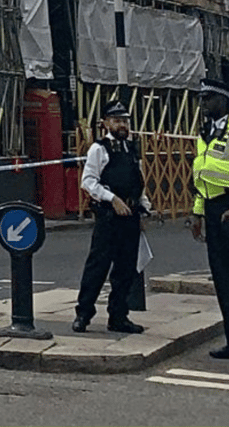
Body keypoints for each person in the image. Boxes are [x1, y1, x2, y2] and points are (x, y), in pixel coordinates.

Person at [72, 100, 151, 334]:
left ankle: (118, 316)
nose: (122, 124)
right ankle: (83, 314)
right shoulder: (99, 149)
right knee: (97, 267)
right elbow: (88, 182)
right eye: (116, 120)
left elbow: (139, 181)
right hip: (108, 217)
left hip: (131, 215)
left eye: (125, 120)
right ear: (106, 123)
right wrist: (111, 199)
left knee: (126, 269)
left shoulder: (131, 148)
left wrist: (145, 207)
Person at [190, 78, 229, 359]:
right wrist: (197, 213)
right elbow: (201, 178)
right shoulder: (204, 133)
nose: (203, 105)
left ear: (223, 100)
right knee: (223, 279)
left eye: (208, 99)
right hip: (213, 209)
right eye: (202, 100)